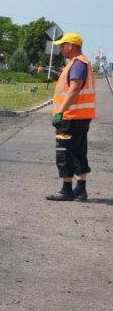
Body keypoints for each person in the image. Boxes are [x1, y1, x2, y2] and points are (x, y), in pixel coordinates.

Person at [46, 32, 96, 202]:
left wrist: (60, 111)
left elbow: (74, 89)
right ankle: (80, 190)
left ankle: (67, 190)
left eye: (62, 45)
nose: (60, 49)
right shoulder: (81, 63)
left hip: (70, 117)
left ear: (70, 46)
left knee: (65, 151)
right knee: (79, 151)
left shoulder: (77, 63)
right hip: (80, 116)